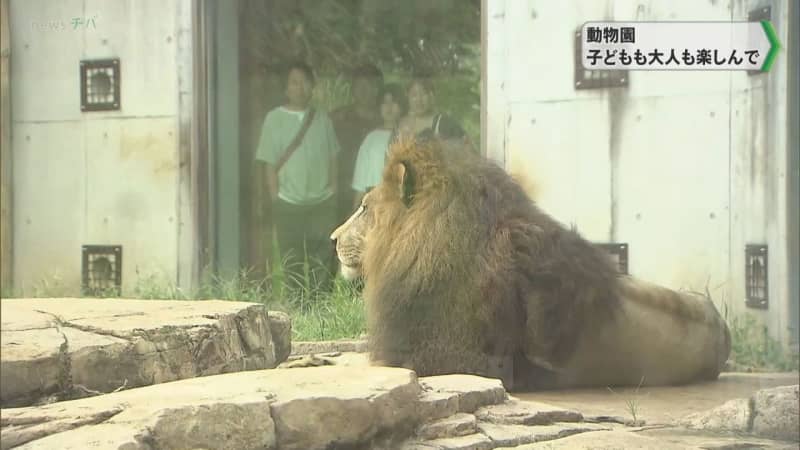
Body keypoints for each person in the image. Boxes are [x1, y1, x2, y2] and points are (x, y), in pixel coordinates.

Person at [254, 61, 340, 292]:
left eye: (304, 82)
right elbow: (269, 163)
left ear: (312, 87)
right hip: (288, 202)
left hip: (321, 202)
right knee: (290, 259)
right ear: (286, 88)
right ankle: (296, 305)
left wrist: (332, 189)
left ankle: (319, 307)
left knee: (321, 259)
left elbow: (333, 158)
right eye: (294, 82)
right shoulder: (274, 119)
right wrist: (276, 196)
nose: (299, 87)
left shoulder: (322, 119)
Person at [331, 64, 384, 223]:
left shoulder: (387, 119)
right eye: (360, 85)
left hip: (376, 190)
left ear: (379, 88)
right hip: (342, 189)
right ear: (352, 88)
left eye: (370, 85)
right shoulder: (337, 118)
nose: (364, 90)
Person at [351, 84, 407, 208]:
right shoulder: (371, 139)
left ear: (402, 107)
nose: (389, 107)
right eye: (385, 102)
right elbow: (360, 182)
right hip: (375, 203)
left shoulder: (408, 137)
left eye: (393, 102)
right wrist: (355, 209)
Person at [397, 73, 470, 145]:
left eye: (423, 93)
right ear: (407, 97)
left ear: (431, 96)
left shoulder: (446, 123)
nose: (419, 100)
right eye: (414, 95)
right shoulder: (402, 125)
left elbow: (467, 148)